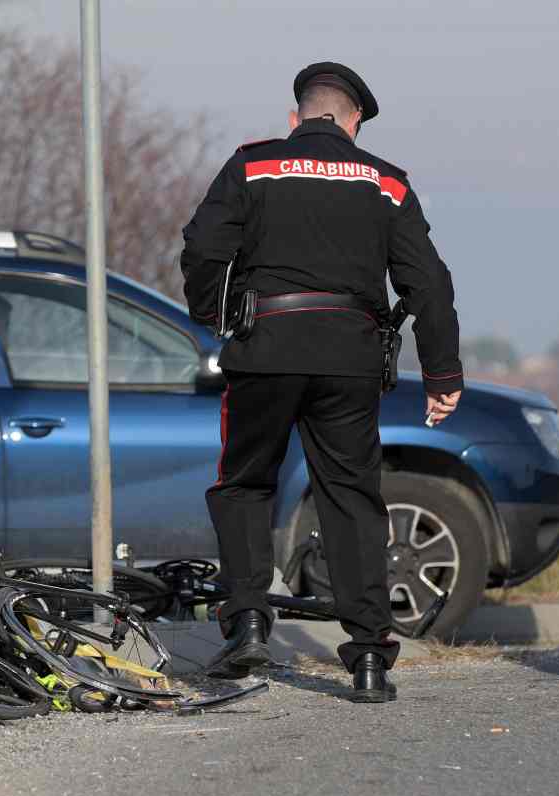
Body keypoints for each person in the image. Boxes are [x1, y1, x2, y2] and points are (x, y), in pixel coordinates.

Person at [179, 62, 463, 703]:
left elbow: (202, 247)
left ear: (297, 116)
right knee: (351, 499)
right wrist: (443, 371)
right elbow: (428, 282)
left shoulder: (251, 165)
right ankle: (368, 660)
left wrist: (216, 314)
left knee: (245, 483)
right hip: (350, 361)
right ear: (352, 120)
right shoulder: (386, 182)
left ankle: (248, 622)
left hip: (265, 350)